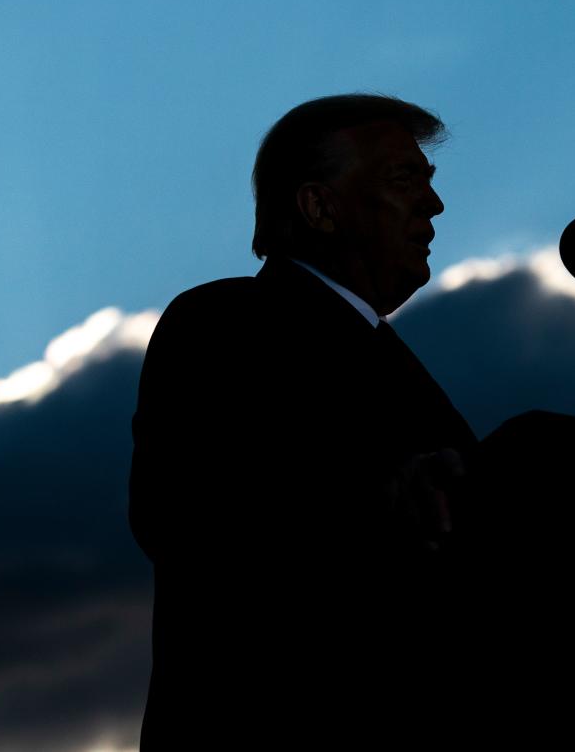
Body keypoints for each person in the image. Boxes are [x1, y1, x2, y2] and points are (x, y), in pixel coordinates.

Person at [128, 94, 477, 747]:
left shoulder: (410, 375)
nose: (433, 206)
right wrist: (377, 503)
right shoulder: (224, 326)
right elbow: (181, 514)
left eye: (430, 183)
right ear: (318, 206)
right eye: (405, 180)